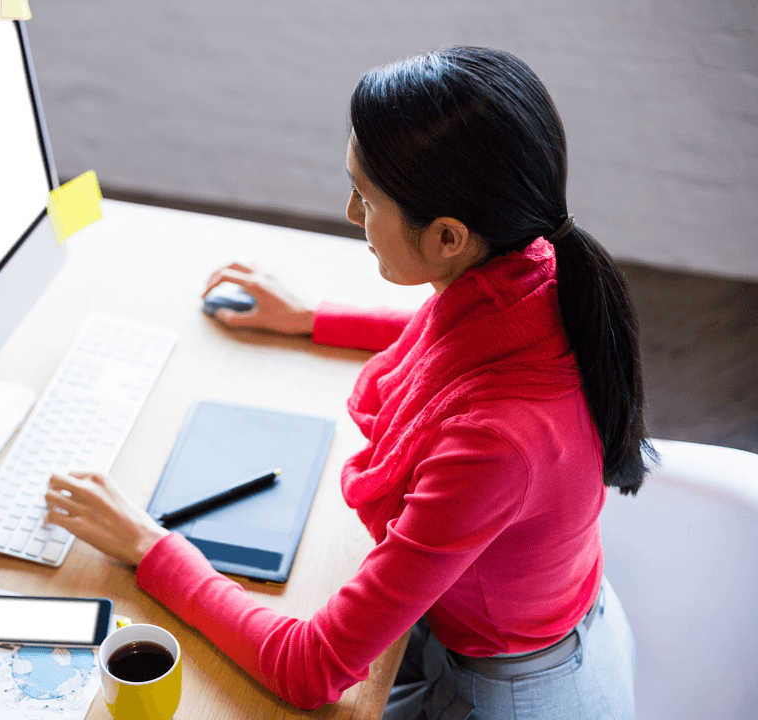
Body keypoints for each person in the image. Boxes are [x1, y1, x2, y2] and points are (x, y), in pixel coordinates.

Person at [45, 46, 652, 719]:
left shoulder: (495, 445)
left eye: (365, 196)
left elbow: (311, 669)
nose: (349, 212)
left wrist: (150, 547)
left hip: (502, 690)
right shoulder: (534, 264)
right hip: (525, 619)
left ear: (448, 237)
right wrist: (311, 318)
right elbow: (448, 337)